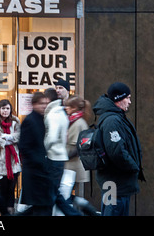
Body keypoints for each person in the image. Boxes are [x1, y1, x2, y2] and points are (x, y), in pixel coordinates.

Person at [93, 82, 145, 216]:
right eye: (127, 98)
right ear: (118, 99)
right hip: (115, 183)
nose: (130, 102)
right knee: (113, 212)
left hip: (117, 182)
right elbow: (116, 152)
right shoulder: (112, 121)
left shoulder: (116, 118)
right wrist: (133, 166)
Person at [44, 88, 81, 216]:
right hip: (60, 158)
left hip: (54, 157)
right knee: (54, 193)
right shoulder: (61, 113)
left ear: (47, 100)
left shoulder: (54, 113)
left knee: (52, 194)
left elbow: (52, 137)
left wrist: (44, 150)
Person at [17, 92, 53, 216]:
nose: (44, 106)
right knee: (40, 207)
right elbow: (24, 146)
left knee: (41, 206)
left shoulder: (40, 119)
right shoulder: (30, 120)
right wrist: (39, 161)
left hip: (39, 170)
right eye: (41, 103)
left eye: (46, 103)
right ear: (34, 104)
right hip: (34, 171)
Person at [64, 95, 99, 216]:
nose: (66, 108)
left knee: (70, 194)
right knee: (68, 194)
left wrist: (64, 156)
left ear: (74, 108)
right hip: (70, 164)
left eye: (68, 106)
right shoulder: (73, 120)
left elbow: (80, 146)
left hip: (74, 164)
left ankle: (88, 211)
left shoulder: (79, 123)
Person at [0, 99, 21, 215]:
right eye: (3, 108)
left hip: (14, 162)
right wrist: (10, 139)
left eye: (7, 108)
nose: (5, 111)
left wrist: (5, 136)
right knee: (1, 190)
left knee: (11, 190)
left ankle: (10, 211)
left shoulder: (15, 121)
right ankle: (3, 213)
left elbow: (18, 137)